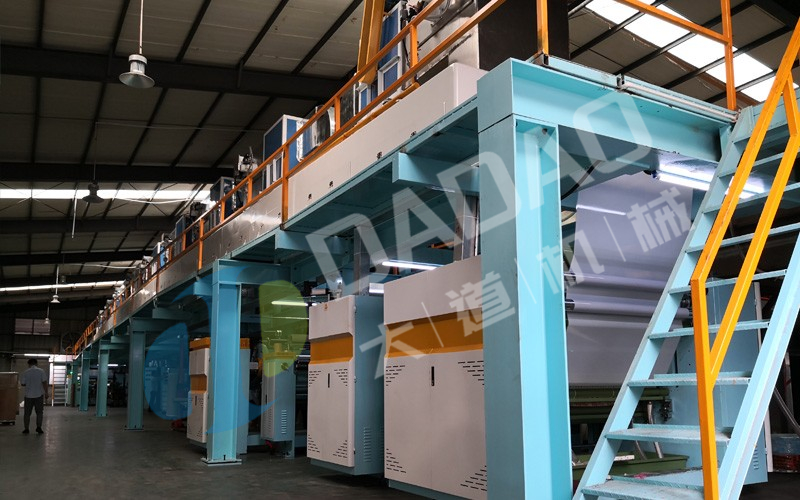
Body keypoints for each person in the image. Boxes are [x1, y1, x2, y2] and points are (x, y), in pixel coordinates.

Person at [20, 358, 48, 434]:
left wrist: (29, 383)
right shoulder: (41, 371)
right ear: (36, 363)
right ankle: (39, 428)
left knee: (27, 413)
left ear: (29, 364)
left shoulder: (26, 372)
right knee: (39, 413)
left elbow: (23, 383)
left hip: (28, 396)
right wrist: (46, 393)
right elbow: (44, 382)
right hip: (39, 395)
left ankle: (26, 429)